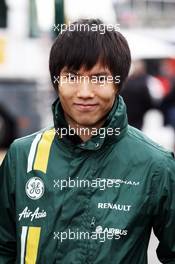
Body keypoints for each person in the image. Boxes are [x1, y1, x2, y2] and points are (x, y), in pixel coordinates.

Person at [0, 18, 175, 264]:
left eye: (99, 78)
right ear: (56, 80)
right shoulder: (21, 156)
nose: (84, 91)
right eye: (72, 76)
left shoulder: (156, 164)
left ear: (118, 83)